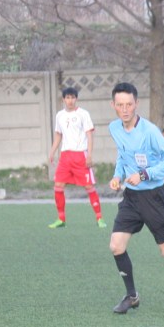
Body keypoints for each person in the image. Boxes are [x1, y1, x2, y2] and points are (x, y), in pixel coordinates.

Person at [106, 82, 164, 315]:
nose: (125, 109)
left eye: (129, 104)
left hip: (154, 198)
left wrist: (144, 174)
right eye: (120, 105)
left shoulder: (149, 131)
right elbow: (122, 155)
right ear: (113, 105)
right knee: (116, 246)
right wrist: (117, 175)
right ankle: (132, 296)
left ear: (137, 104)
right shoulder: (114, 128)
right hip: (131, 198)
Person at [47, 86, 104, 229]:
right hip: (65, 156)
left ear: (76, 99)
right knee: (58, 185)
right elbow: (58, 134)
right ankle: (61, 219)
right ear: (63, 99)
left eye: (73, 97)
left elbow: (89, 135)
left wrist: (89, 155)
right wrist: (52, 151)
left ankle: (99, 218)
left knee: (89, 186)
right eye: (67, 98)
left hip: (80, 156)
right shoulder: (59, 115)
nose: (70, 100)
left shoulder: (83, 114)